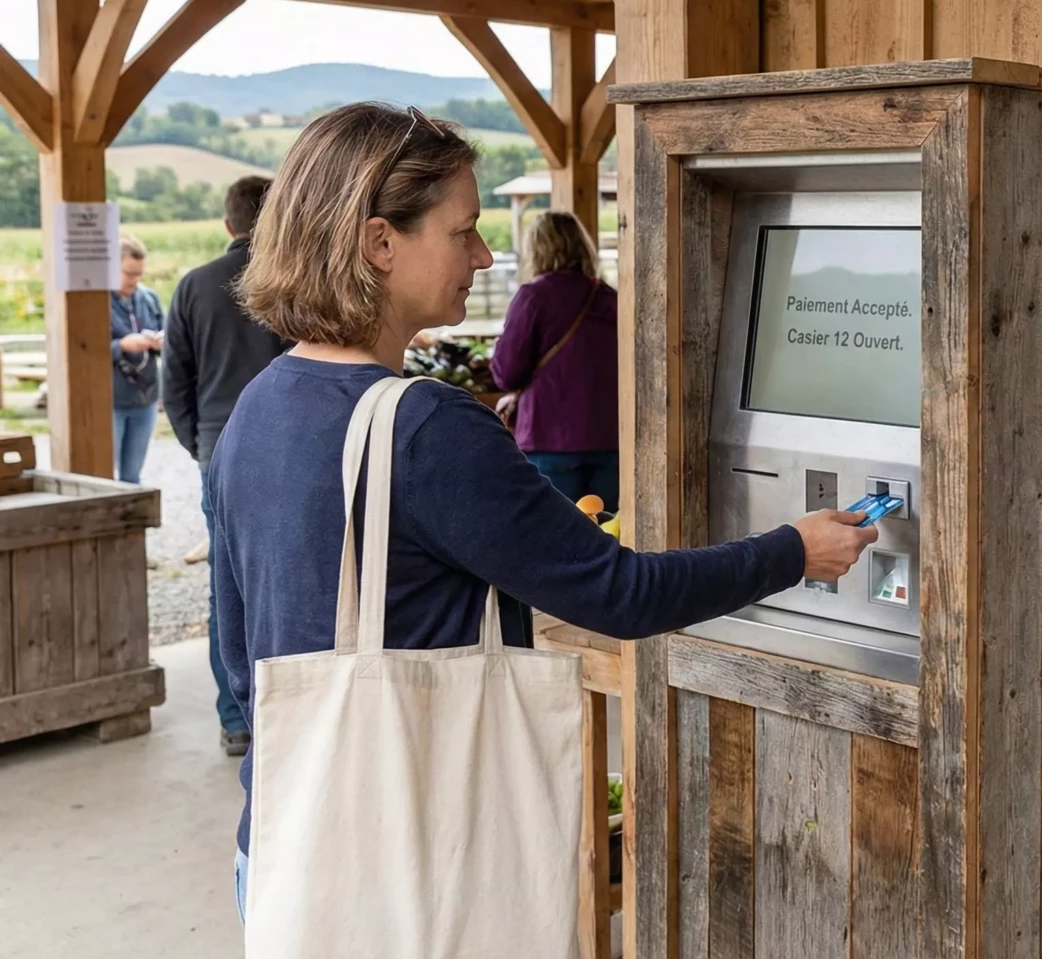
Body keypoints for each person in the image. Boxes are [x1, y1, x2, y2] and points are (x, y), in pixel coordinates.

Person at [213, 102, 876, 915]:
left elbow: (237, 646)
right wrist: (792, 549)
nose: (485, 255)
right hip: (408, 872)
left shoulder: (259, 405)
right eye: (463, 232)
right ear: (379, 243)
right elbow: (621, 594)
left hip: (286, 847)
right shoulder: (424, 426)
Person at [163, 175, 285, 757]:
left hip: (219, 454)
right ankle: (289, 709)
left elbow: (174, 384)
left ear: (227, 223)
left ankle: (236, 719)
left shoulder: (191, 286)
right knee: (297, 580)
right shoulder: (290, 281)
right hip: (291, 449)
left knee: (226, 589)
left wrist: (202, 446)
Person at [490, 210, 617, 504]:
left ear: (537, 248)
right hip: (610, 438)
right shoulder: (608, 297)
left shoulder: (534, 297)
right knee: (607, 534)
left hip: (548, 437)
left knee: (552, 540)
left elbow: (507, 373)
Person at [108, 234, 164, 484]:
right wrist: (121, 346)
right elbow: (83, 351)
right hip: (111, 401)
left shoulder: (149, 298)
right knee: (106, 476)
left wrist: (162, 342)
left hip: (146, 398)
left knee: (132, 476)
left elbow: (168, 335)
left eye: (139, 274)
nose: (135, 280)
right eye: (129, 273)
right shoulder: (94, 303)